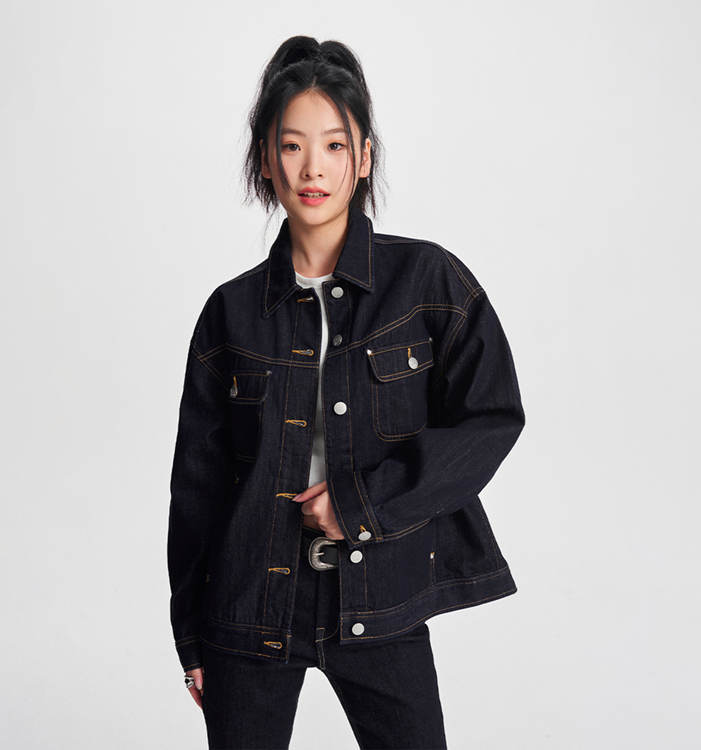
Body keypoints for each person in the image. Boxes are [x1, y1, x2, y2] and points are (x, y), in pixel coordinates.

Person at [167, 35, 525, 750]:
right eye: (291, 145)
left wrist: (361, 505)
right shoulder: (229, 314)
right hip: (248, 610)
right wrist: (191, 634)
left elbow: (490, 420)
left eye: (334, 145)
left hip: (383, 597)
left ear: (363, 158)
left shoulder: (427, 283)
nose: (313, 168)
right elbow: (198, 487)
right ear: (264, 159)